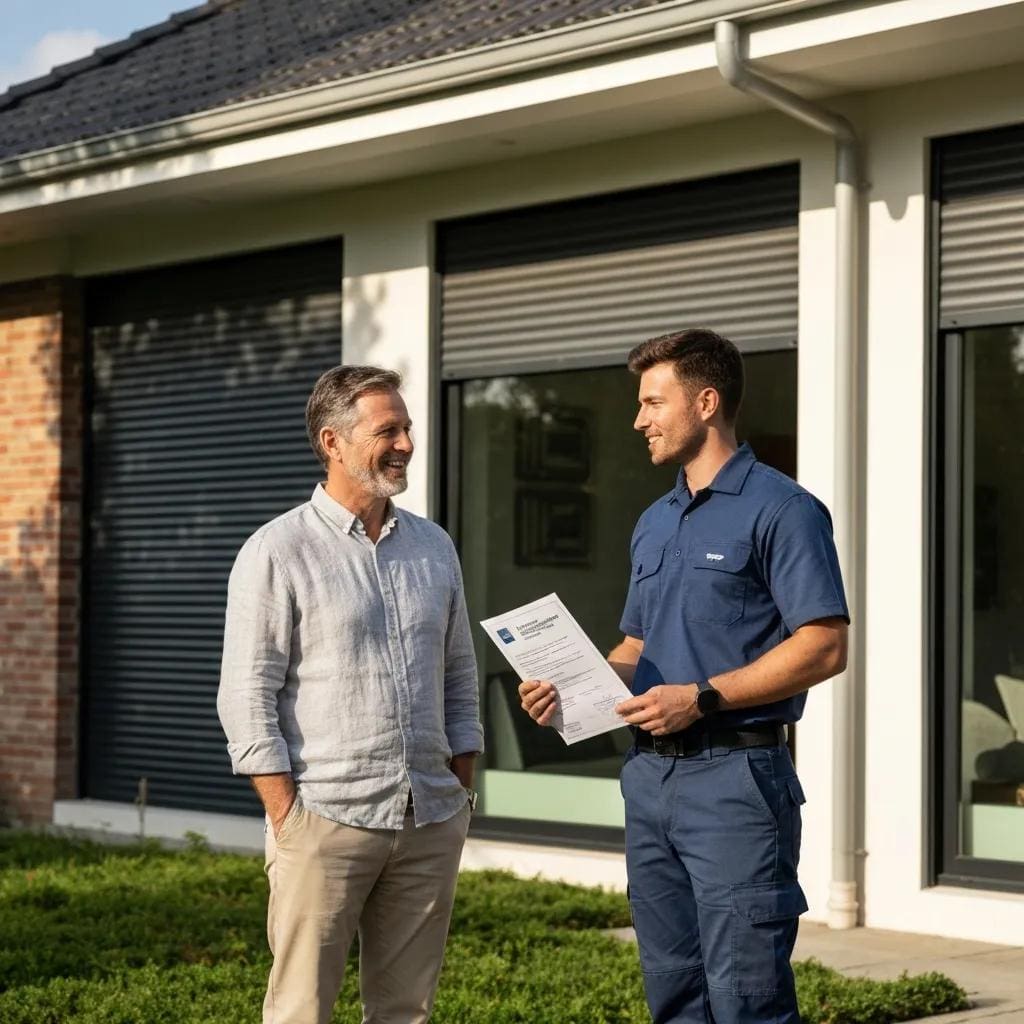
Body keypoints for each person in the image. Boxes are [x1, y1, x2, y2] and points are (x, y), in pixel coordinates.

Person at [519, 329, 849, 1024]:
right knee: (672, 992)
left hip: (736, 784)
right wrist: (570, 689)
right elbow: (639, 645)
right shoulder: (654, 522)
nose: (639, 420)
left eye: (652, 402)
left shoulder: (783, 510)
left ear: (705, 402)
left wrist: (702, 698)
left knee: (746, 1000)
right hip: (650, 782)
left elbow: (823, 646)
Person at [217, 365, 482, 1024]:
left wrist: (459, 791)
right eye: (386, 429)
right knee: (302, 1010)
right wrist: (288, 817)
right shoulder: (277, 551)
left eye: (407, 427)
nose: (405, 443)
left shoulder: (433, 547)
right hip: (324, 818)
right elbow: (247, 694)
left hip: (428, 816)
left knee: (405, 1011)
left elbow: (458, 674)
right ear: (333, 442)